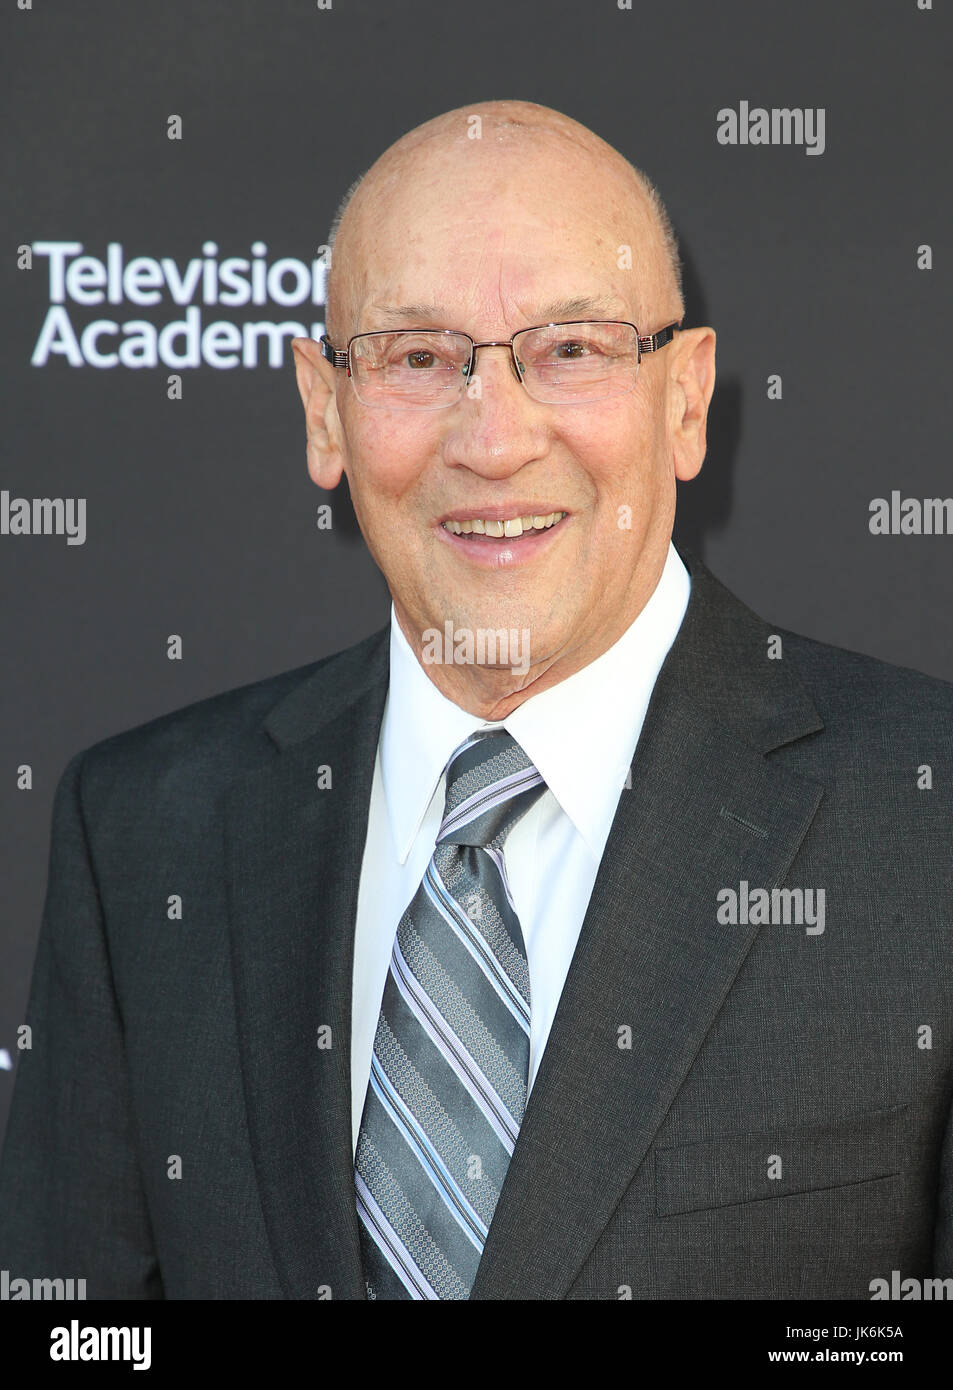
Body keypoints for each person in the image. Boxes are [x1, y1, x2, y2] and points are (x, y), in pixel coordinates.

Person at [1, 99, 951, 1301]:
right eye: (416, 357)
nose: (492, 439)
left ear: (686, 400)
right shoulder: (143, 829)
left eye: (571, 348)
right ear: (322, 408)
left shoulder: (928, 821)